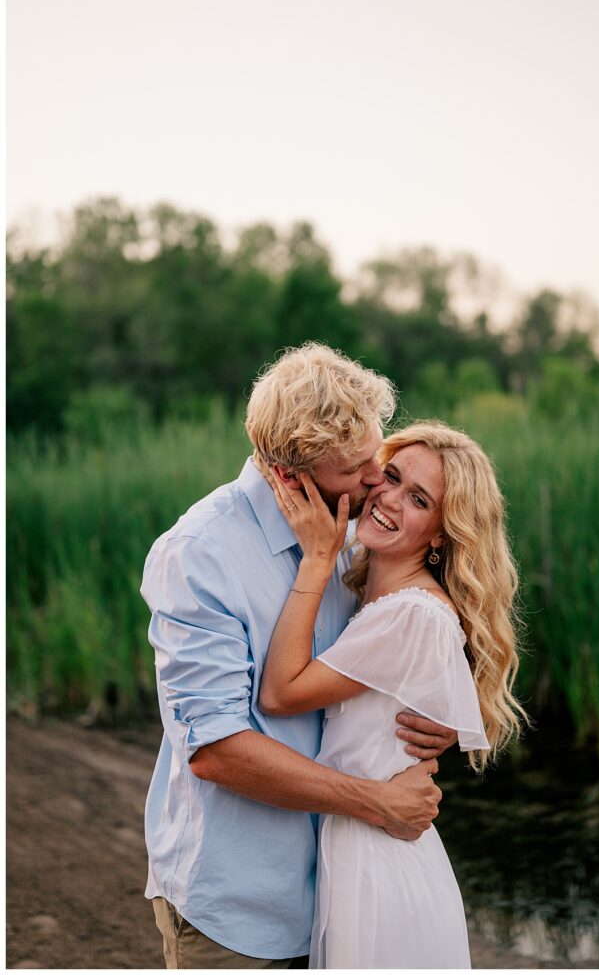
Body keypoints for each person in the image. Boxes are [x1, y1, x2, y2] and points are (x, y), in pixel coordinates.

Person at [141, 344, 458, 969]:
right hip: (240, 907)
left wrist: (431, 718)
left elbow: (392, 651)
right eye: (359, 468)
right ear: (289, 475)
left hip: (347, 893)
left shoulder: (357, 527)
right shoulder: (199, 554)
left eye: (379, 454)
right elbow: (215, 749)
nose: (378, 480)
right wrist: (376, 800)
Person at [259, 421, 530, 968]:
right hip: (360, 846)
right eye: (392, 476)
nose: (388, 499)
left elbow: (280, 694)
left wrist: (314, 559)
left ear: (441, 534)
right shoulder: (373, 591)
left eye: (419, 499)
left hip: (380, 865)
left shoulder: (410, 613)